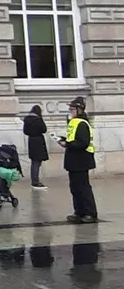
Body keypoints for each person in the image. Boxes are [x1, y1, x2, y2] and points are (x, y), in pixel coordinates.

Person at [58, 96, 98, 224]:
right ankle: (79, 212)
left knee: (83, 188)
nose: (70, 111)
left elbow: (83, 143)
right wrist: (64, 139)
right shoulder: (74, 122)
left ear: (79, 110)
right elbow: (73, 139)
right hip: (73, 161)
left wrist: (67, 144)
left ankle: (90, 213)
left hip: (81, 160)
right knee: (74, 187)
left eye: (72, 109)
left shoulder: (82, 123)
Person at [23, 105, 49, 189]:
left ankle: (34, 179)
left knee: (34, 161)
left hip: (31, 140)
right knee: (37, 162)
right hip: (38, 141)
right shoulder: (38, 119)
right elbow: (44, 129)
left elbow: (25, 131)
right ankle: (35, 181)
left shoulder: (27, 120)